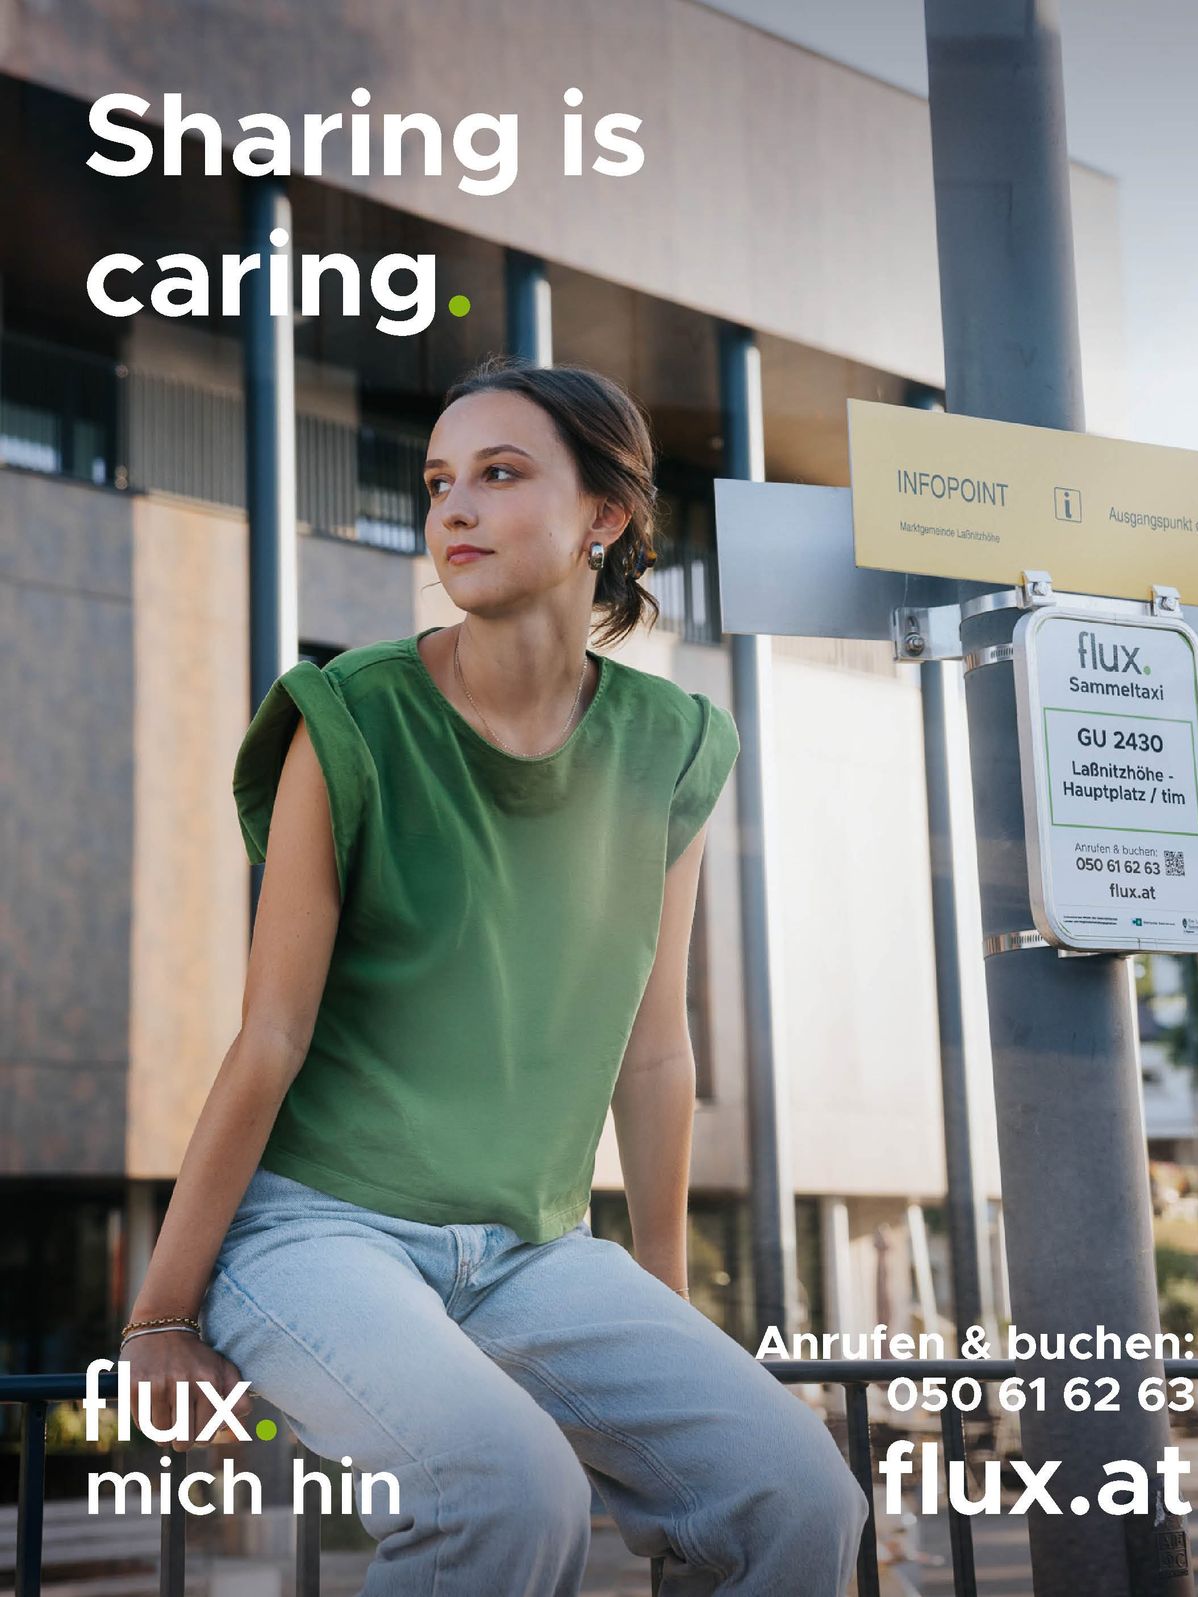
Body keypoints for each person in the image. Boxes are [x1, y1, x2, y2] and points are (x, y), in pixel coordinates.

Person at [120, 355, 869, 1594]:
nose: (452, 508)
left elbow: (656, 1045)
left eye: (500, 474)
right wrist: (160, 1314)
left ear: (605, 517)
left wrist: (669, 1304)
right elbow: (269, 1034)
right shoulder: (348, 714)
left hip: (536, 1250)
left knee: (801, 1496)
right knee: (508, 1495)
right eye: (438, 482)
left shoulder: (674, 743)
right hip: (318, 1231)